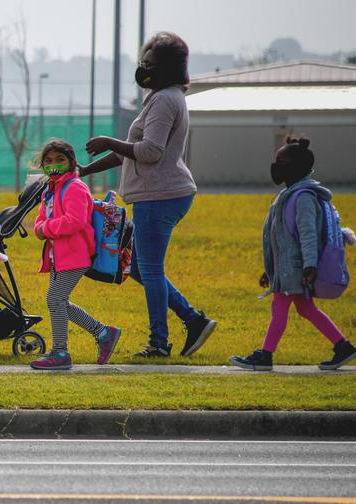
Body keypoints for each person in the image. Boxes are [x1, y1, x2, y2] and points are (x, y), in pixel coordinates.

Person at [80, 31, 217, 359]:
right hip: (157, 193)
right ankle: (194, 320)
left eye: (151, 64)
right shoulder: (162, 98)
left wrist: (109, 141)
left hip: (160, 195)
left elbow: (150, 151)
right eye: (144, 61)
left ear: (167, 68)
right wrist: (86, 170)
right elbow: (132, 153)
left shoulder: (166, 100)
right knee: (140, 268)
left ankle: (158, 343)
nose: (144, 68)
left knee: (150, 269)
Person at [231, 136, 356, 371]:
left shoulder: (304, 198)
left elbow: (308, 234)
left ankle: (265, 356)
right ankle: (343, 347)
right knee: (306, 309)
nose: (276, 166)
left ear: (297, 168)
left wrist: (310, 266)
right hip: (288, 268)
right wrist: (271, 269)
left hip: (298, 267)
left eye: (282, 161)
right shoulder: (287, 195)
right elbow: (282, 240)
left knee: (279, 307)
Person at [30, 139, 121, 370]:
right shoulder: (50, 190)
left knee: (54, 299)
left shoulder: (75, 187)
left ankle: (60, 352)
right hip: (57, 255)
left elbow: (75, 221)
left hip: (75, 254)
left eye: (60, 160)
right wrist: (40, 228)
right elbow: (40, 219)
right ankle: (103, 333)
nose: (54, 165)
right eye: (48, 161)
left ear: (71, 162)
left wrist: (44, 228)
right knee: (60, 301)